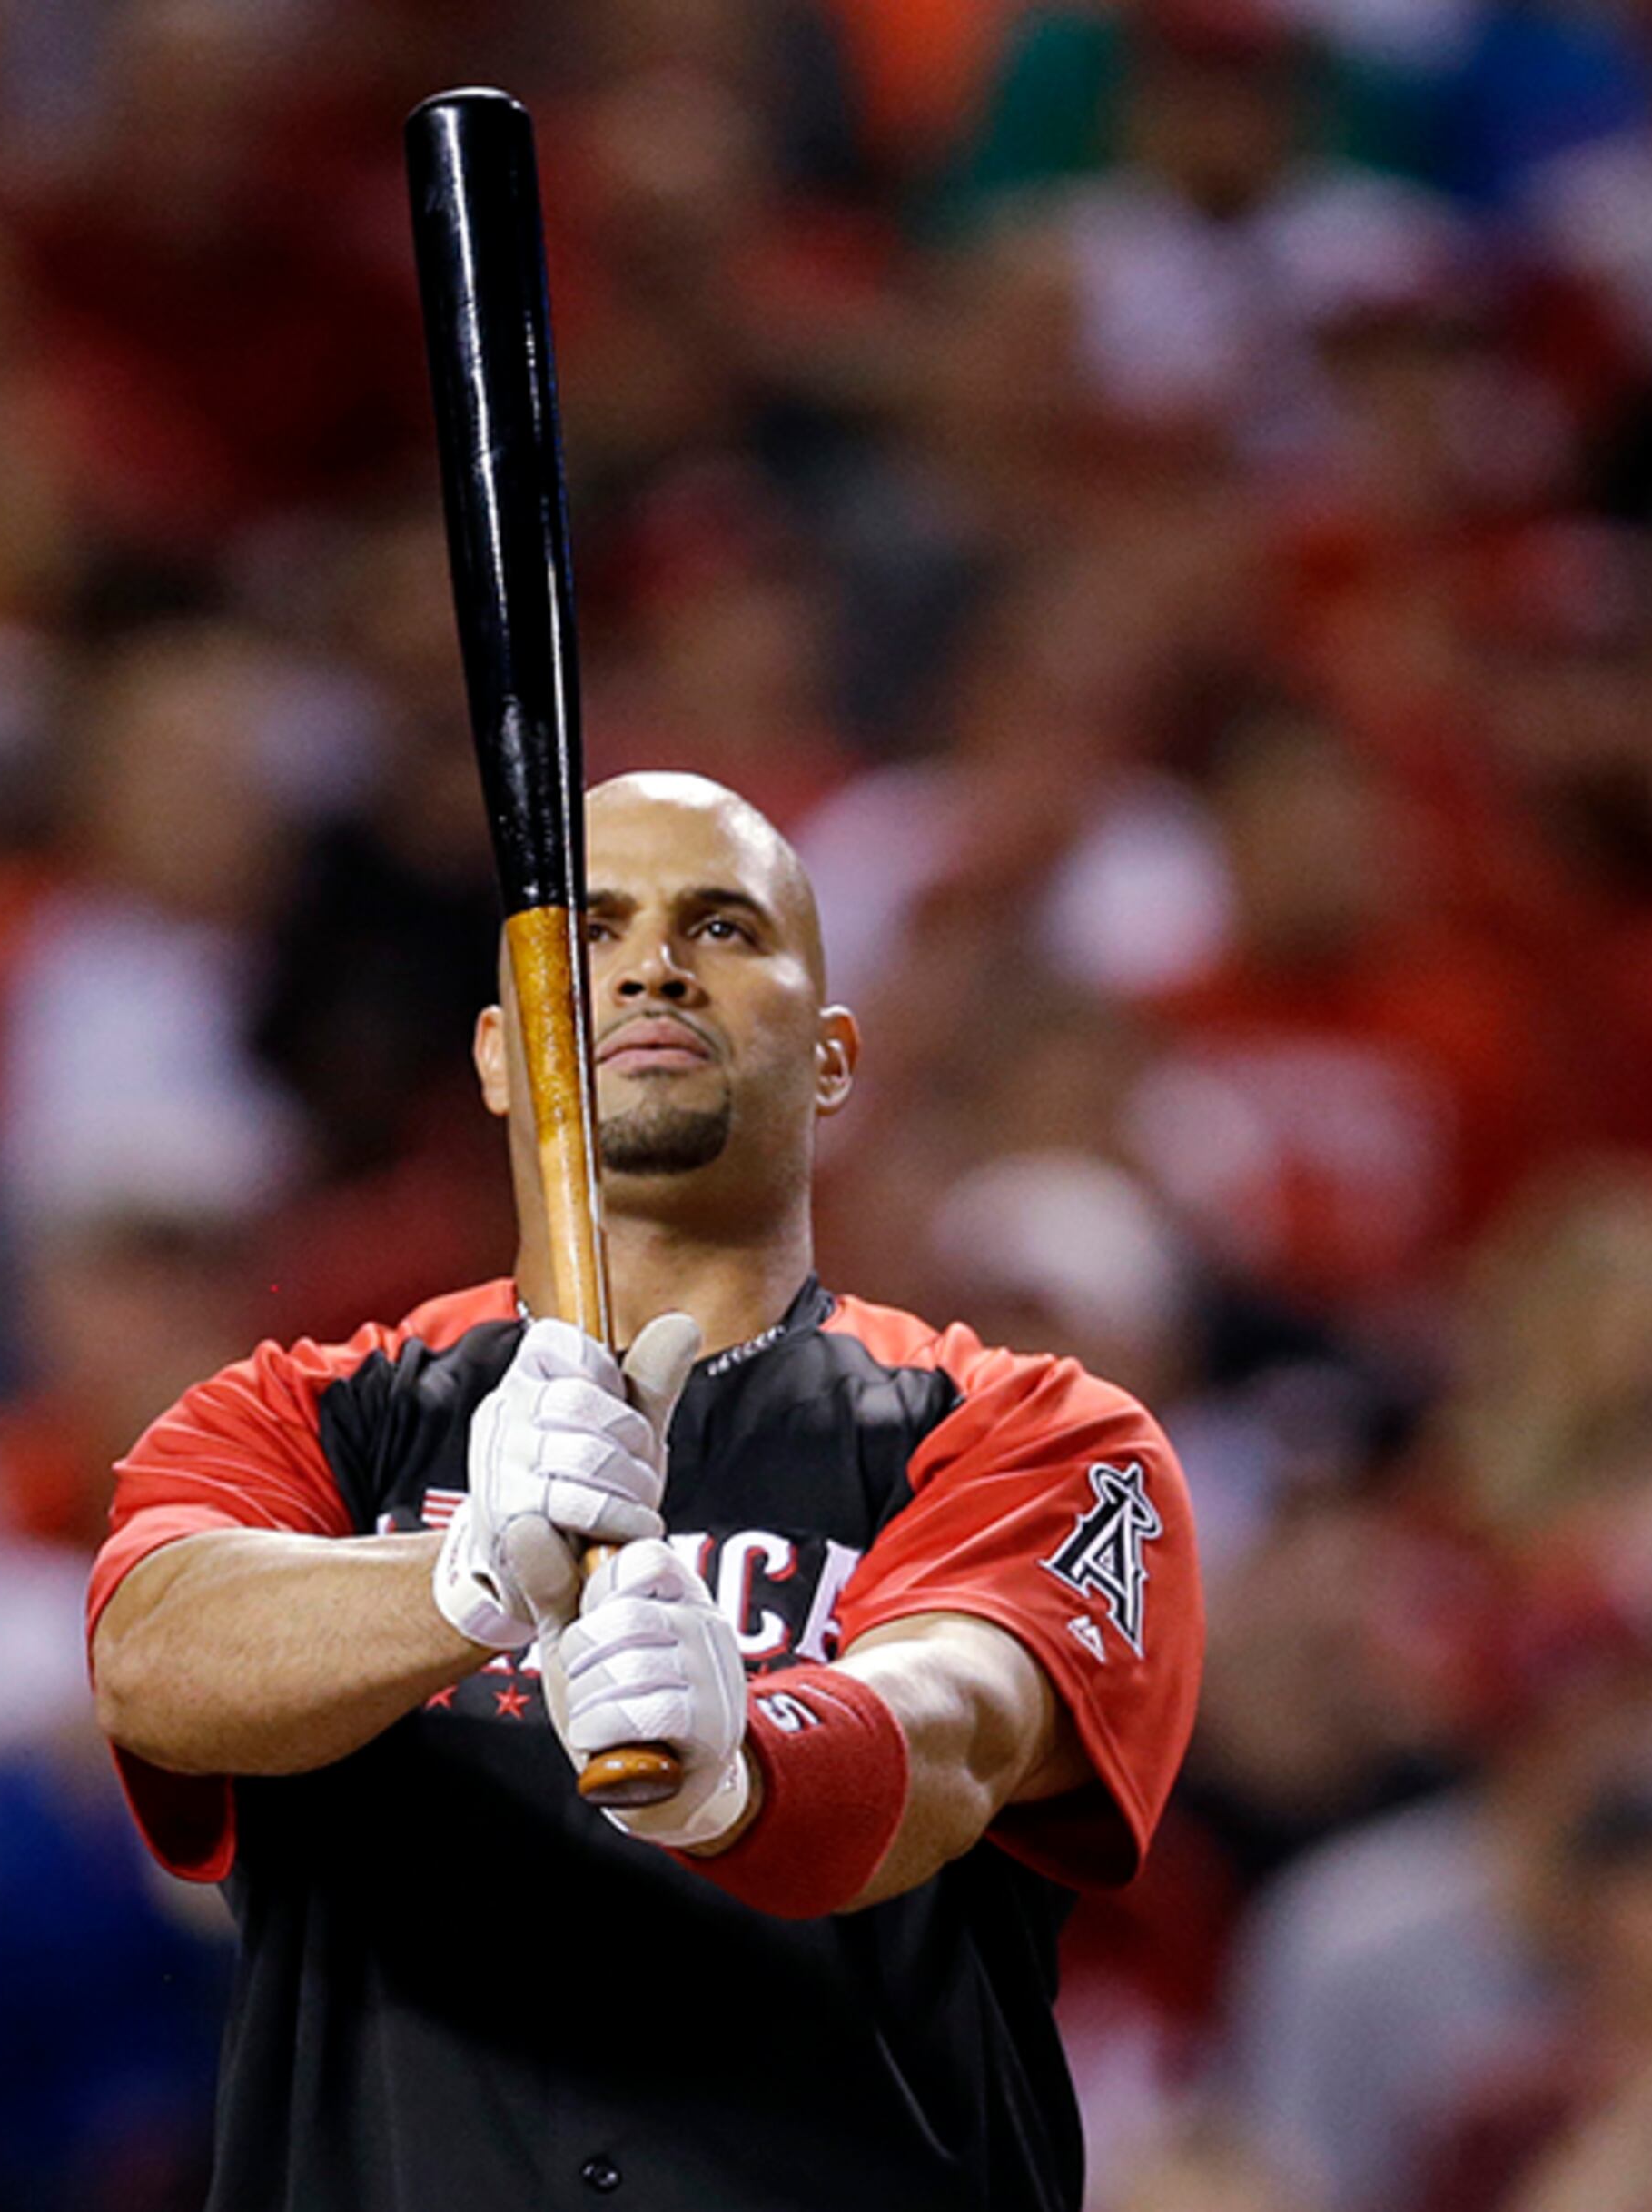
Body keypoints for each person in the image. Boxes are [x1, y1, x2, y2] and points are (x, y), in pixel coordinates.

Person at [84, 772, 1204, 2211]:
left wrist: (745, 1769)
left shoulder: (1024, 1430)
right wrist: (460, 1580)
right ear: (498, 1057)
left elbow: (962, 1727)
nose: (655, 964)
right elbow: (155, 1655)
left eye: (723, 927)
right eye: (594, 931)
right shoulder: (310, 1414)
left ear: (833, 1058)